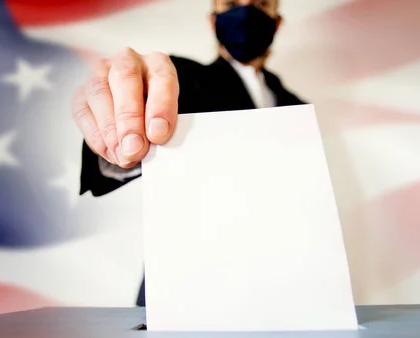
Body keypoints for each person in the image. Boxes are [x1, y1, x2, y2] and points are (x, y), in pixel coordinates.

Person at [71, 0, 305, 306]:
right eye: (233, 3)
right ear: (213, 20)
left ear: (277, 22)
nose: (246, 12)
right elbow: (146, 112)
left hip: (277, 284)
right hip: (185, 286)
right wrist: (119, 134)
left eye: (261, 4)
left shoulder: (297, 106)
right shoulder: (183, 80)